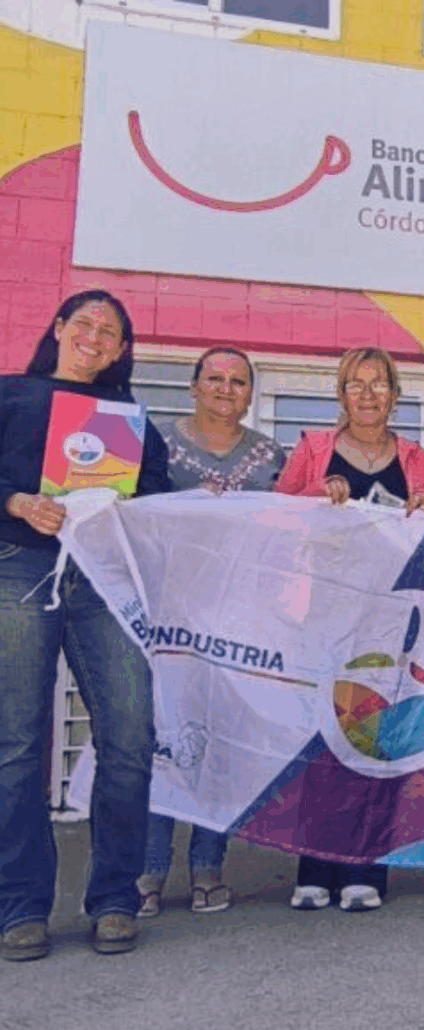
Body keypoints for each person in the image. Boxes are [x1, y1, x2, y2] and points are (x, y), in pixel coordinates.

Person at [0, 290, 171, 961]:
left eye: (112, 333)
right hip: (18, 566)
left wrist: (126, 508)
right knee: (16, 745)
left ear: (121, 349)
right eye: (87, 325)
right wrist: (15, 500)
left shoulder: (128, 414)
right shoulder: (11, 393)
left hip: (106, 579)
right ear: (58, 327)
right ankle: (20, 906)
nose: (97, 338)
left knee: (129, 737)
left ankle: (115, 899)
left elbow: (155, 492)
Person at [275, 346, 424, 912]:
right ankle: (314, 867)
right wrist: (316, 495)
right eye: (355, 384)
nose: (367, 394)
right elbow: (274, 514)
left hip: (388, 619)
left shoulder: (416, 456)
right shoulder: (314, 450)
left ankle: (367, 869)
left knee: (375, 739)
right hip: (323, 613)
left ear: (395, 395)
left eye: (379, 384)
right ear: (340, 395)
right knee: (322, 739)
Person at [137, 346, 286, 919]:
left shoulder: (271, 455)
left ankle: (207, 869)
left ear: (251, 394)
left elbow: (291, 531)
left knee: (217, 744)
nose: (226, 389)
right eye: (215, 378)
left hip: (240, 623)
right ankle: (147, 873)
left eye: (239, 381)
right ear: (193, 385)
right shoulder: (155, 443)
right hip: (164, 617)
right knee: (161, 744)